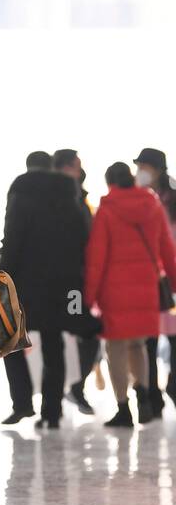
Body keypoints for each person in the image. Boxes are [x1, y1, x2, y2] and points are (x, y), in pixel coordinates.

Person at [0, 154, 89, 429]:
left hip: (24, 282)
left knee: (11, 340)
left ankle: (23, 403)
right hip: (60, 282)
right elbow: (82, 239)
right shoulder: (68, 195)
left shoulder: (20, 192)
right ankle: (52, 411)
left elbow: (12, 238)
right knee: (53, 344)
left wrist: (4, 275)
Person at [84, 161, 176, 427]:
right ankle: (144, 395)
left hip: (115, 293)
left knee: (116, 348)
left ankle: (123, 409)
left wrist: (88, 298)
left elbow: (96, 259)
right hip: (146, 288)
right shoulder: (153, 205)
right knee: (138, 345)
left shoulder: (107, 211)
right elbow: (166, 249)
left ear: (110, 182)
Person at [52, 148, 99, 415]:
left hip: (77, 280)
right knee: (73, 333)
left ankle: (72, 389)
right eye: (75, 166)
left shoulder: (78, 195)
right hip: (66, 282)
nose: (79, 171)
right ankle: (66, 392)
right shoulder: (59, 197)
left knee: (82, 333)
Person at [134, 147, 176, 417]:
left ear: (157, 169)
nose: (140, 172)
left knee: (173, 339)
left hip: (169, 281)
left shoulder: (172, 198)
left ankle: (171, 386)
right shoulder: (139, 199)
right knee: (148, 339)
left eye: (144, 166)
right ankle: (152, 396)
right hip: (146, 279)